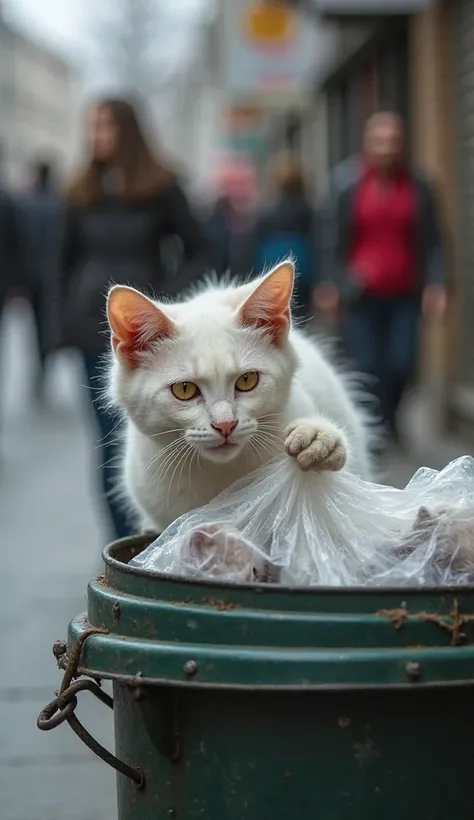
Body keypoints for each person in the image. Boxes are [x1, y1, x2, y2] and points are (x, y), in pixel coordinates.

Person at [57, 97, 209, 540]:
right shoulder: (80, 191)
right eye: (92, 127)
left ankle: (163, 534)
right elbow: (61, 262)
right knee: (107, 441)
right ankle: (123, 542)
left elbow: (201, 247)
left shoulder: (161, 187)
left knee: (158, 434)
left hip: (153, 332)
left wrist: (168, 298)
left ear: (127, 130)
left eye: (105, 126)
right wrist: (61, 320)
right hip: (92, 328)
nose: (97, 135)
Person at [316, 112, 448, 446]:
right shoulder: (347, 184)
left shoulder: (419, 186)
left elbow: (435, 241)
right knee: (368, 364)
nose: (386, 148)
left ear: (402, 144)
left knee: (404, 363)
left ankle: (390, 418)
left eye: (393, 141)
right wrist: (331, 282)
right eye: (379, 140)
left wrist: (438, 283)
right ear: (367, 143)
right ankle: (373, 430)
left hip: (405, 293)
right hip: (361, 295)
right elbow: (330, 237)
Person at [252, 152, 318, 321]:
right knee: (302, 316)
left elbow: (252, 246)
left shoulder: (265, 212)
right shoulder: (308, 211)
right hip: (303, 272)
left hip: (270, 269)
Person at [17, 159, 63, 402]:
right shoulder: (60, 204)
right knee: (48, 324)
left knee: (35, 326)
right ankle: (45, 365)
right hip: (53, 278)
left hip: (31, 277)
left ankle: (39, 365)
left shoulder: (26, 204)